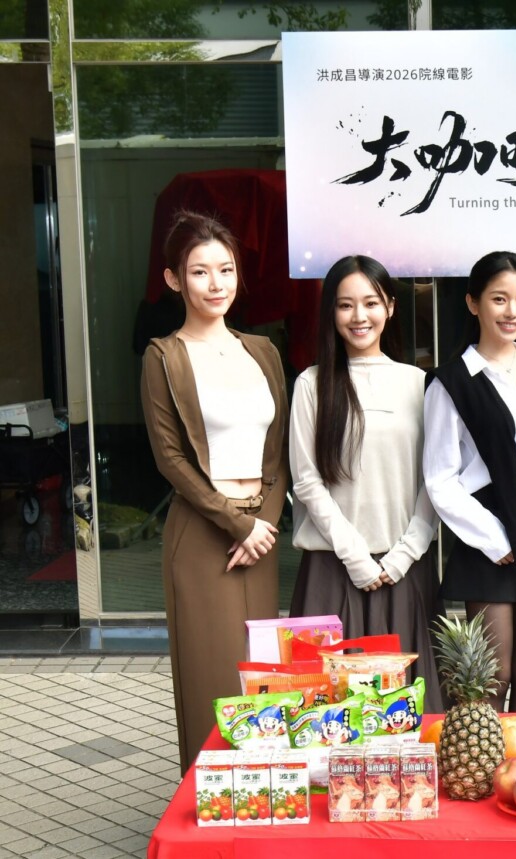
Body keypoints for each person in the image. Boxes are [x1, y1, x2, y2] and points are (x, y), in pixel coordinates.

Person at [141, 211, 288, 773]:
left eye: (225, 269)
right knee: (213, 679)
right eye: (199, 271)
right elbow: (170, 460)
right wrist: (238, 524)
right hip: (206, 535)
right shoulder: (164, 356)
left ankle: (264, 798)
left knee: (262, 678)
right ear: (174, 279)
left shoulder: (263, 350)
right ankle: (209, 806)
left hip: (261, 536)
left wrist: (263, 523)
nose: (215, 283)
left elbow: (278, 452)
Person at [423, 251, 516, 712]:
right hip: (488, 530)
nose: (512, 312)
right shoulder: (451, 382)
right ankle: (484, 760)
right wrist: (494, 538)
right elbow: (440, 478)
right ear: (473, 303)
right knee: (493, 678)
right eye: (499, 299)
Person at [289, 255, 443, 713]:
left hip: (404, 570)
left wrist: (406, 552)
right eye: (345, 305)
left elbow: (436, 478)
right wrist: (355, 556)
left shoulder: (419, 382)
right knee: (328, 714)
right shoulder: (312, 384)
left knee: (410, 714)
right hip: (332, 569)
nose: (359, 316)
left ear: (390, 307)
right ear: (331, 313)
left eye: (371, 303)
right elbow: (306, 480)